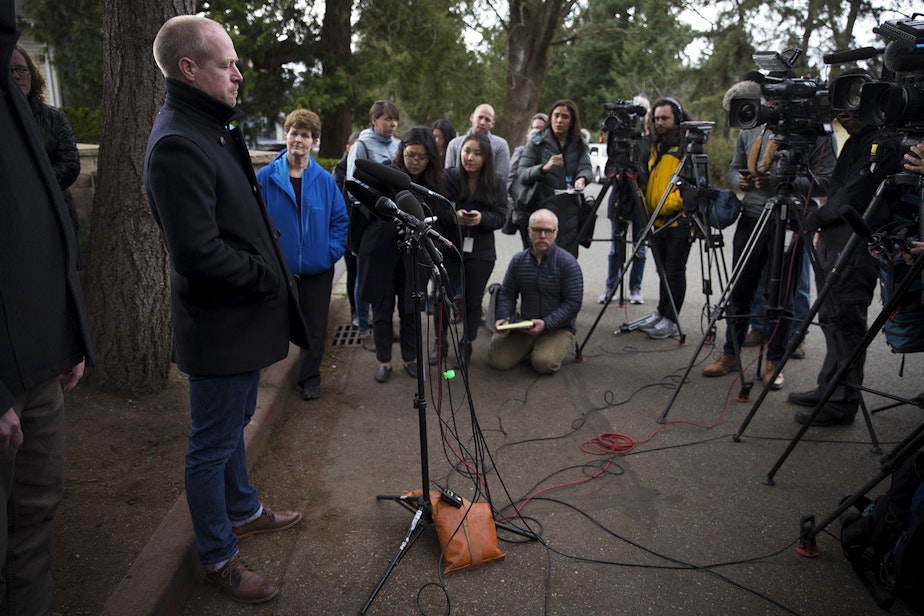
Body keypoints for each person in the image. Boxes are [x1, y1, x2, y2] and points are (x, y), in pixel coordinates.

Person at [144, 15, 309, 603]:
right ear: (188, 69)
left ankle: (243, 508)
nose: (239, 75)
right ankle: (217, 555)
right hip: (220, 326)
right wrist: (265, 276)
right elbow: (197, 253)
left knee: (234, 425)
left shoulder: (207, 126)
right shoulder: (178, 143)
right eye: (226, 65)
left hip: (241, 320)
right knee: (211, 442)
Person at [1, 5, 94, 613]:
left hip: (42, 365)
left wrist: (68, 338)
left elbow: (44, 233)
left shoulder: (36, 117)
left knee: (36, 519)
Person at [702, 79, 836, 388]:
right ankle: (730, 353)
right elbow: (734, 169)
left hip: (791, 218)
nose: (773, 104)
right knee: (741, 291)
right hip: (752, 218)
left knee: (783, 295)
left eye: (778, 99)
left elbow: (827, 181)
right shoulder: (752, 127)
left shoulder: (814, 131)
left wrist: (781, 183)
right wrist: (742, 181)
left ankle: (775, 359)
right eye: (770, 97)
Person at [787, 104, 901, 426]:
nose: (843, 118)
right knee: (831, 319)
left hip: (856, 246)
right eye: (839, 113)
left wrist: (813, 219)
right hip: (835, 241)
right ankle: (828, 388)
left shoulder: (883, 143)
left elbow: (851, 197)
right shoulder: (855, 140)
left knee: (846, 321)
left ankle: (842, 402)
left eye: (850, 111)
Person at [258, 109, 349, 401]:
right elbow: (254, 221)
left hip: (316, 271)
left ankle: (310, 378)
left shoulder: (324, 180)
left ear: (314, 141)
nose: (298, 139)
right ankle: (260, 372)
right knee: (270, 322)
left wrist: (328, 254)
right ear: (286, 136)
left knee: (314, 328)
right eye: (294, 132)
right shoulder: (267, 177)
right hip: (278, 270)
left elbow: (340, 222)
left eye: (305, 134)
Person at [438, 131, 507, 368]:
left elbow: (501, 217)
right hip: (450, 247)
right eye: (467, 151)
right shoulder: (449, 176)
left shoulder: (496, 181)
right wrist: (453, 217)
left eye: (477, 154)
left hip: (481, 251)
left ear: (486, 158)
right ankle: (440, 343)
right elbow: (437, 209)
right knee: (442, 296)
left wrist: (481, 219)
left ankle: (466, 345)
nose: (470, 157)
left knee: (472, 300)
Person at [488, 208, 583, 374]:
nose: (542, 235)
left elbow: (573, 303)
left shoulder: (568, 263)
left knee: (543, 364)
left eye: (548, 231)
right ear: (528, 231)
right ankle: (531, 344)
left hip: (558, 326)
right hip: (527, 321)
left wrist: (547, 323)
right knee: (498, 360)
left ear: (556, 233)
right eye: (537, 230)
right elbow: (508, 293)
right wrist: (503, 317)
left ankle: (550, 345)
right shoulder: (518, 261)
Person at [633, 98, 692, 340]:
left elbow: (693, 186)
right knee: (662, 272)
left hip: (677, 221)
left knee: (674, 272)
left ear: (677, 119)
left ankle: (672, 319)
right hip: (655, 221)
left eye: (665, 118)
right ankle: (662, 311)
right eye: (656, 118)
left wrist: (673, 204)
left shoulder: (686, 148)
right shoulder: (656, 147)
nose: (660, 123)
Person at [10, 45, 81, 239]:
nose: (17, 76)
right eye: (9, 71)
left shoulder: (54, 118)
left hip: (54, 214)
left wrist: (33, 183)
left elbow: (70, 164)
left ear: (31, 74)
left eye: (22, 69)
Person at [347, 100, 401, 354]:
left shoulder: (398, 145)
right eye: (387, 119)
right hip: (369, 219)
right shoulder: (362, 145)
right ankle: (363, 326)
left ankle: (385, 325)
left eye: (395, 120)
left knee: (388, 277)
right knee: (365, 276)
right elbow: (352, 184)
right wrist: (376, 206)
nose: (392, 124)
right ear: (373, 120)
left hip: (395, 221)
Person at [516, 99, 593, 257]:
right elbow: (522, 174)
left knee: (566, 264)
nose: (559, 120)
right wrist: (544, 168)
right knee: (539, 263)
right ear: (550, 117)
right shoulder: (537, 142)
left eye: (565, 117)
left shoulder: (579, 144)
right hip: (542, 212)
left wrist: (582, 179)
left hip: (570, 214)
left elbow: (586, 167)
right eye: (556, 115)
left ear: (572, 121)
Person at [599, 95, 651, 305]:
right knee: (615, 248)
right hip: (619, 196)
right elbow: (609, 166)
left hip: (640, 197)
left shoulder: (648, 141)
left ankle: (635, 288)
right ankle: (610, 286)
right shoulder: (616, 136)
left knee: (640, 247)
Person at [444, 103, 511, 190]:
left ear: (492, 124)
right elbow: (448, 176)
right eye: (480, 117)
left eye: (487, 120)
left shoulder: (501, 145)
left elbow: (502, 179)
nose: (482, 122)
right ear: (472, 117)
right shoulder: (454, 144)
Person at [332, 130, 361, 328]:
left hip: (364, 231)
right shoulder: (339, 172)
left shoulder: (364, 168)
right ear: (348, 148)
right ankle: (356, 313)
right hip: (348, 233)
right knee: (353, 273)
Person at [506, 113, 549, 247]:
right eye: (534, 128)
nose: (537, 132)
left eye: (541, 129)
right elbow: (510, 179)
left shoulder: (551, 154)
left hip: (546, 207)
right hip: (524, 209)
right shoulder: (521, 151)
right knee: (529, 247)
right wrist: (515, 203)